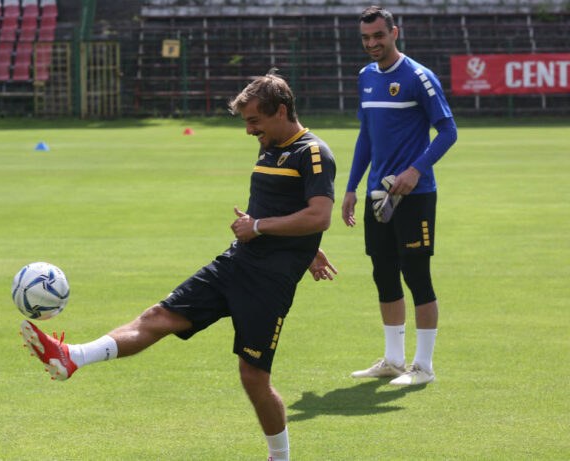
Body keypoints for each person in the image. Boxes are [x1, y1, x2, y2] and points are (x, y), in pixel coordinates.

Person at [20, 71, 336, 461]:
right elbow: (283, 206)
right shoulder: (269, 145)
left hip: (267, 284)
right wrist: (304, 246)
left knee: (253, 377)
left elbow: (319, 216)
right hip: (235, 263)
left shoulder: (313, 153)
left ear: (281, 111)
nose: (249, 130)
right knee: (159, 316)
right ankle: (72, 356)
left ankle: (280, 457)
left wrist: (262, 228)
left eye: (255, 120)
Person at [342, 6, 457, 386]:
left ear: (395, 32)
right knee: (384, 274)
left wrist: (415, 170)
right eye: (366, 38)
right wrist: (351, 187)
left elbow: (448, 131)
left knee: (417, 276)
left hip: (415, 195)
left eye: (379, 35)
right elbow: (366, 137)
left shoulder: (419, 77)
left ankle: (423, 367)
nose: (372, 43)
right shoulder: (365, 76)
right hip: (378, 196)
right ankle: (393, 360)